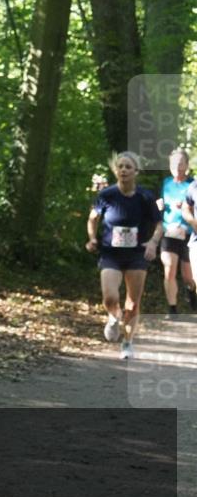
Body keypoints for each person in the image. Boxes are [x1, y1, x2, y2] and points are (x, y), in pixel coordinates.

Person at [86, 152, 164, 359]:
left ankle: (128, 343)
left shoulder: (145, 197)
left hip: (136, 254)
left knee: (133, 303)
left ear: (136, 171)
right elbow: (92, 218)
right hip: (110, 253)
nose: (123, 170)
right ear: (116, 170)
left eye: (128, 167)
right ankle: (113, 317)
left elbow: (158, 225)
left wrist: (153, 243)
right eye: (120, 166)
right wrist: (92, 238)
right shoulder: (107, 195)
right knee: (110, 297)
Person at [157, 148, 197, 314]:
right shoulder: (166, 183)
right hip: (169, 232)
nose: (178, 167)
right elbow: (162, 205)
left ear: (187, 165)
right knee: (169, 269)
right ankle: (172, 309)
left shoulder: (192, 185)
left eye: (181, 163)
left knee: (189, 277)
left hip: (189, 234)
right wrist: (159, 205)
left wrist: (187, 211)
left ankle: (191, 292)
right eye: (175, 163)